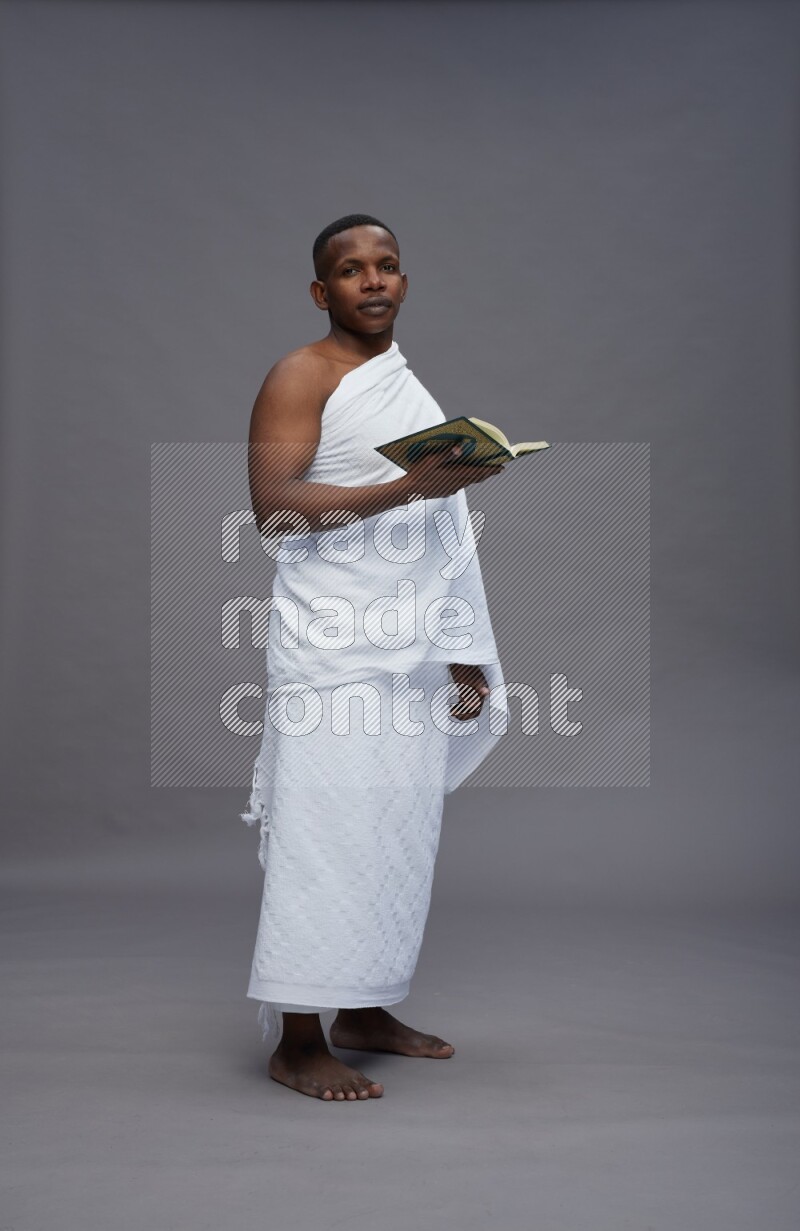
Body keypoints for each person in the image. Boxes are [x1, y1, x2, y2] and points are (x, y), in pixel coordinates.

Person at [242, 213, 506, 1101]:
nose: (373, 280)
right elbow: (275, 509)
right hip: (333, 642)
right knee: (326, 835)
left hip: (412, 647)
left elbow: (440, 524)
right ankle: (299, 1037)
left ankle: (363, 1007)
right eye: (351, 270)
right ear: (323, 292)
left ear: (404, 279)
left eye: (387, 265)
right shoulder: (300, 375)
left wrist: (464, 651)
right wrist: (408, 483)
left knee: (395, 833)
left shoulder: (404, 383)